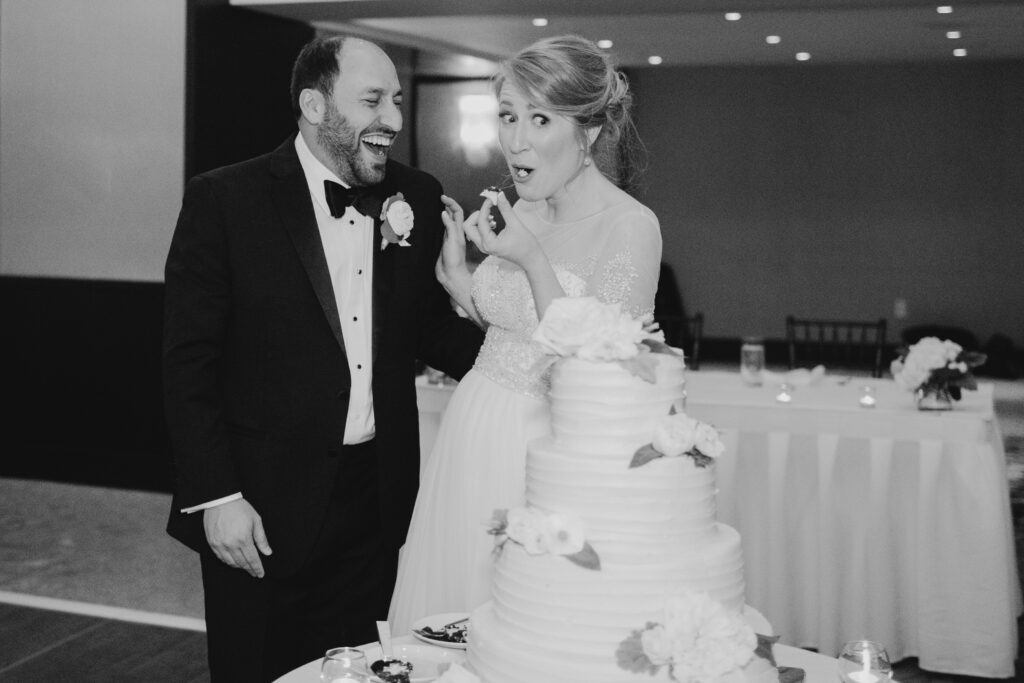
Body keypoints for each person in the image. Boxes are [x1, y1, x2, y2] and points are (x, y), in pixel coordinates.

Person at [163, 36, 483, 681]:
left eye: (396, 99)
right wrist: (216, 495)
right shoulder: (226, 199)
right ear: (314, 104)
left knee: (366, 672)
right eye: (372, 100)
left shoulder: (416, 196)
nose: (393, 118)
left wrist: (500, 326)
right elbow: (186, 362)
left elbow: (431, 336)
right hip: (258, 507)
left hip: (378, 502)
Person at [389, 35, 663, 634]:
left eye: (540, 119)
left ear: (588, 131)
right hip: (471, 429)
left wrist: (533, 261)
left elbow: (603, 371)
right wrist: (461, 281)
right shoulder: (522, 210)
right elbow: (513, 334)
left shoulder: (630, 227)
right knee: (451, 619)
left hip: (544, 451)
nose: (515, 141)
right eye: (508, 117)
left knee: (527, 629)